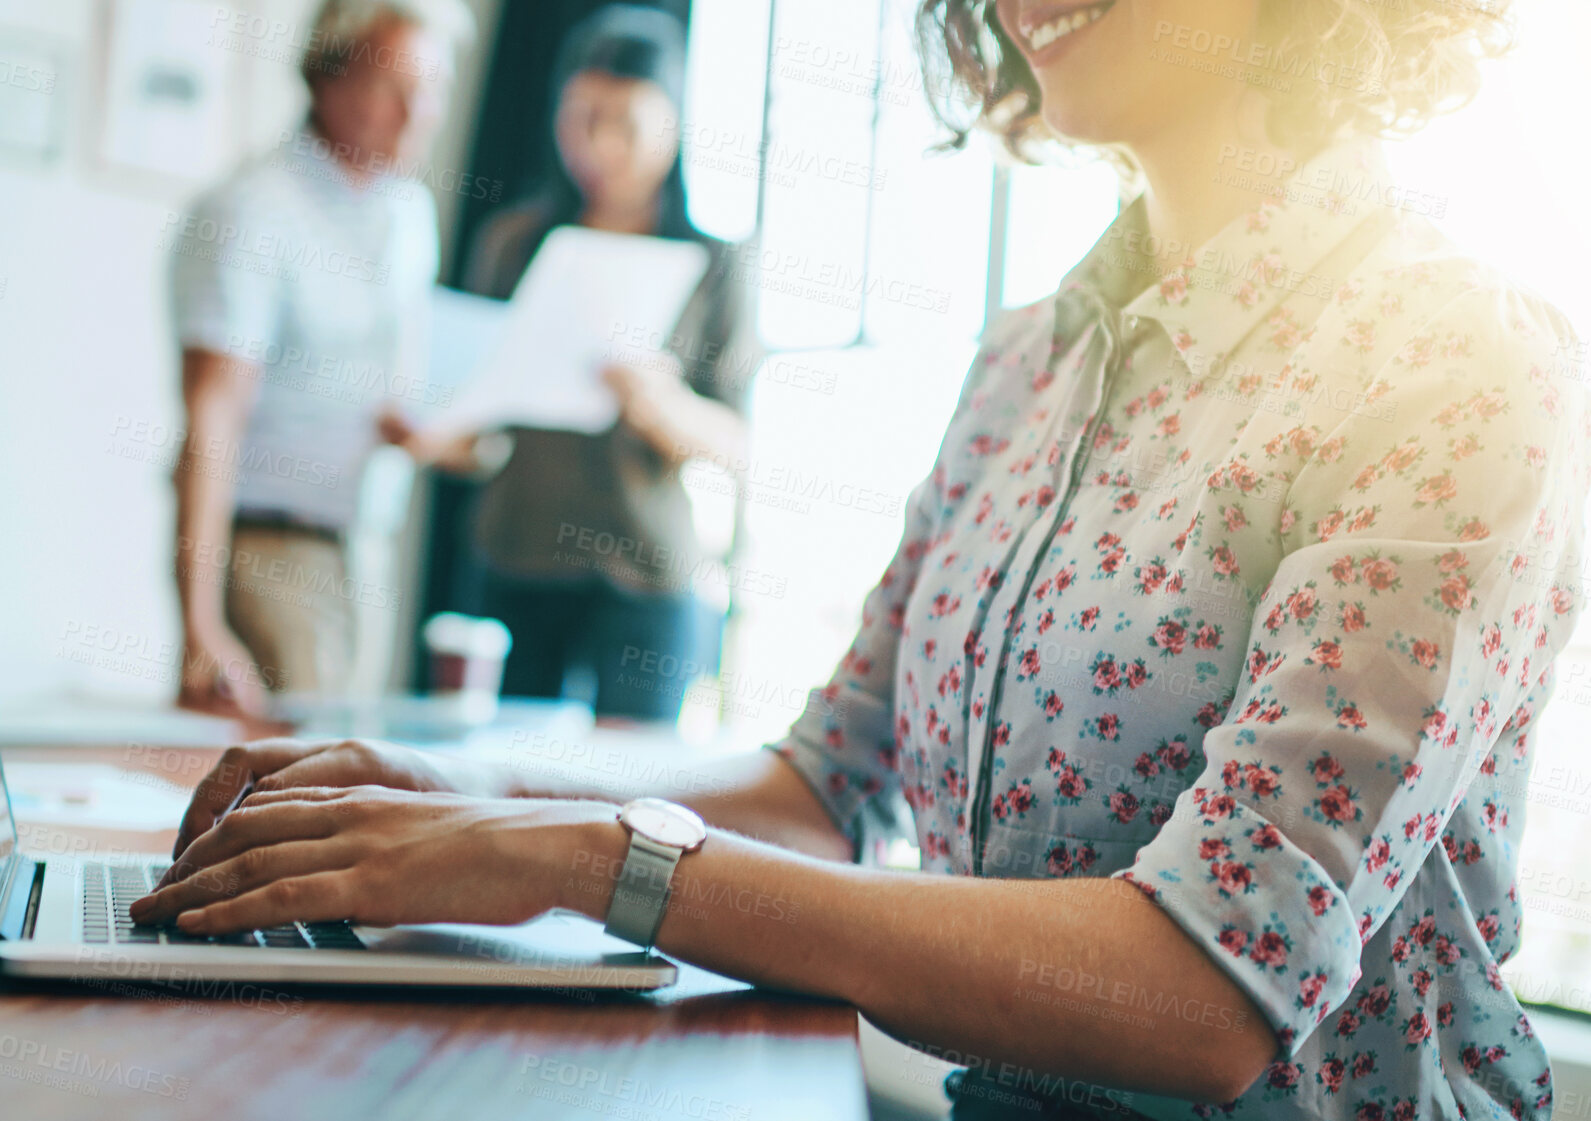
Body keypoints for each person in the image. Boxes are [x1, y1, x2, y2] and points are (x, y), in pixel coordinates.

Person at [134, 1, 1587, 1117]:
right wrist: (459, 793)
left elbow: (1206, 992)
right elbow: (821, 786)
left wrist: (587, 856)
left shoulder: (1451, 360)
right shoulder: (1026, 357)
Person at [412, 4, 760, 722]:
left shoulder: (714, 261)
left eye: (625, 124)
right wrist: (437, 434)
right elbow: (474, 421)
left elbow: (736, 440)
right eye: (580, 119)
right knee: (502, 791)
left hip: (645, 574)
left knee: (626, 797)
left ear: (671, 124)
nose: (599, 146)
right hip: (516, 557)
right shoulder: (511, 243)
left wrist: (658, 402)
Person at [168, 0, 472, 717]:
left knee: (347, 779)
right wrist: (200, 622)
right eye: (394, 89)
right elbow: (212, 418)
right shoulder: (252, 211)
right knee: (283, 793)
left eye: (431, 89)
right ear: (327, 78)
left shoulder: (408, 214)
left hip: (365, 548)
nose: (418, 113)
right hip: (269, 548)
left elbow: (402, 385)